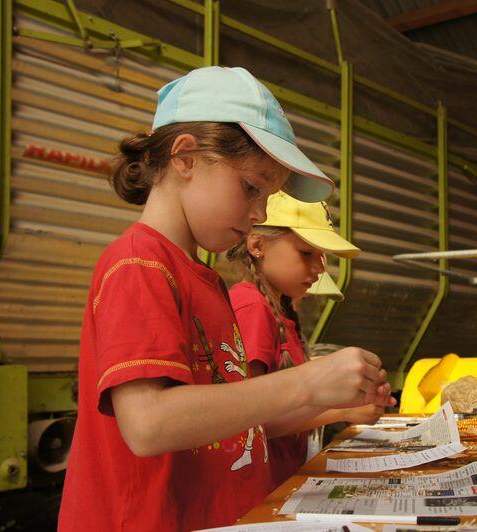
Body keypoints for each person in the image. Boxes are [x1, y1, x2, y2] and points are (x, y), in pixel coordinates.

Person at [58, 66, 392, 531]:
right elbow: (148, 423)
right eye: (251, 188)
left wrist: (328, 397)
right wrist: (307, 383)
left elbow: (244, 423)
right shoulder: (138, 263)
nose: (257, 214)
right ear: (186, 157)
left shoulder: (206, 282)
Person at [228, 192, 394, 489]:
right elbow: (250, 424)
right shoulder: (252, 308)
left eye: (321, 256)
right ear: (257, 245)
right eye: (306, 253)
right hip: (261, 489)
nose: (319, 269)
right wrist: (341, 411)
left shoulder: (278, 311)